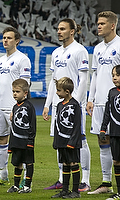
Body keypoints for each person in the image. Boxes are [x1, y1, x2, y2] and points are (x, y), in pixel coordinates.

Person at [42, 18, 91, 192]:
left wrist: (75, 104)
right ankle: (63, 178)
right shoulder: (56, 53)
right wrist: (48, 104)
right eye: (58, 28)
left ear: (72, 31)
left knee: (81, 140)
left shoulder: (80, 51)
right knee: (60, 140)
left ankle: (84, 181)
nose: (59, 31)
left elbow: (84, 79)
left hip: (73, 106)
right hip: (58, 105)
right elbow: (52, 81)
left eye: (62, 28)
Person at [0, 26, 31, 186]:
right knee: (1, 140)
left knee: (20, 143)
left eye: (9, 38)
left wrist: (18, 108)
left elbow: (25, 85)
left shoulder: (22, 59)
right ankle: (3, 175)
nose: (6, 40)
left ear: (17, 41)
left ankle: (25, 179)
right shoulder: (1, 59)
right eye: (4, 37)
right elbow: (0, 84)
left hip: (15, 108)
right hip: (0, 107)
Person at [86, 11, 120, 195]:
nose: (98, 26)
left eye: (102, 23)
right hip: (100, 103)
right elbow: (95, 75)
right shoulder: (98, 48)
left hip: (117, 103)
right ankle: (106, 182)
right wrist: (91, 99)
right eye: (98, 23)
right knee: (103, 140)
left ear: (112, 25)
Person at [51, 77, 82, 199]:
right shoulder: (59, 105)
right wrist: (56, 141)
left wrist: (73, 141)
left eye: (59, 91)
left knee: (73, 163)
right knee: (65, 164)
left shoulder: (74, 105)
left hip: (71, 142)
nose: (57, 93)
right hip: (61, 141)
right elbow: (56, 124)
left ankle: (75, 191)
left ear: (67, 91)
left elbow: (77, 125)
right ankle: (65, 190)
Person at [6, 79, 36, 194]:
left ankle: (27, 186)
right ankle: (16, 185)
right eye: (13, 91)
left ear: (25, 93)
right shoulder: (15, 107)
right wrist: (11, 143)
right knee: (17, 163)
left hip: (26, 141)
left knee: (28, 162)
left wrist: (30, 141)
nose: (14, 94)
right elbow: (13, 127)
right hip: (16, 141)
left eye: (17, 91)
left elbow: (32, 126)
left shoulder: (29, 107)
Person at [100, 65, 120, 200]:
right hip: (115, 134)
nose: (114, 78)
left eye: (117, 75)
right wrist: (103, 128)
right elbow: (107, 112)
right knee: (117, 162)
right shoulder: (112, 92)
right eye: (113, 75)